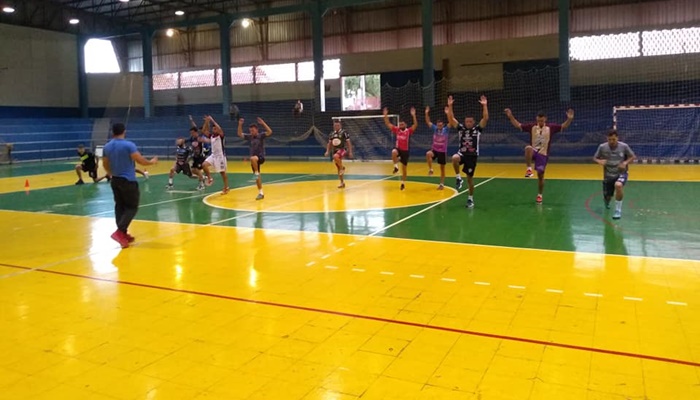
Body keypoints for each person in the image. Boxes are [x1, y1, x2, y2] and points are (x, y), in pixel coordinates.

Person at [102, 123, 158, 248]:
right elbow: (140, 160)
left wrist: (111, 174)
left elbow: (105, 163)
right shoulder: (128, 145)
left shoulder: (107, 146)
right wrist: (152, 162)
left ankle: (123, 233)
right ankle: (120, 232)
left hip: (115, 180)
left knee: (120, 207)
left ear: (113, 132)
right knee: (132, 207)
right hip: (128, 180)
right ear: (124, 131)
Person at [504, 107, 574, 204]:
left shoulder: (551, 127)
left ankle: (540, 195)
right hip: (533, 151)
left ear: (545, 119)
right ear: (536, 119)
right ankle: (529, 169)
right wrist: (510, 116)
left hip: (543, 154)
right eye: (538, 120)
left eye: (541, 120)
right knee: (528, 148)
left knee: (541, 175)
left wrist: (569, 119)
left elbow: (563, 126)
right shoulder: (532, 126)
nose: (540, 122)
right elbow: (517, 125)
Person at [447, 95, 489, 208]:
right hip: (462, 154)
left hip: (472, 156)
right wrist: (450, 106)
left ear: (473, 122)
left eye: (470, 121)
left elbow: (485, 119)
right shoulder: (461, 129)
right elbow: (451, 119)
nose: (468, 123)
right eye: (467, 121)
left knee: (470, 179)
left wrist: (484, 105)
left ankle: (470, 199)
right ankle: (458, 177)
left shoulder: (477, 130)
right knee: (454, 158)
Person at [594, 129, 636, 219]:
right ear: (607, 139)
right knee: (608, 196)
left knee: (618, 185)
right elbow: (595, 158)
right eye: (609, 139)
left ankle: (618, 210)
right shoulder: (602, 147)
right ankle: (607, 201)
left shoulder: (624, 146)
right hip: (608, 174)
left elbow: (632, 156)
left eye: (614, 139)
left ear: (617, 138)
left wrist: (625, 163)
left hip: (621, 173)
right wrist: (599, 161)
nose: (612, 142)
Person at [238, 117, 272, 200]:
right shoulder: (250, 137)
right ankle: (261, 193)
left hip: (260, 157)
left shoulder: (261, 135)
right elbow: (240, 134)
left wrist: (263, 123)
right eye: (250, 131)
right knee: (257, 177)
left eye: (253, 130)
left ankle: (256, 173)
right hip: (254, 161)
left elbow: (270, 132)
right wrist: (240, 125)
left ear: (257, 130)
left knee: (252, 159)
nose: (251, 132)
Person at [383, 106, 417, 190]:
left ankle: (403, 183)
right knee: (393, 152)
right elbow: (388, 124)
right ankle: (396, 167)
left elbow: (415, 125)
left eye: (402, 124)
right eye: (400, 124)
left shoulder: (408, 131)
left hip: (405, 151)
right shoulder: (397, 130)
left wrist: (413, 115)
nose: (401, 125)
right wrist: (385, 115)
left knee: (404, 169)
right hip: (398, 149)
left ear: (405, 124)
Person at [201, 115, 230, 194]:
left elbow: (220, 129)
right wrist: (206, 122)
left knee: (222, 173)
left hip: (220, 157)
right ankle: (210, 178)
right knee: (204, 165)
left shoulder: (221, 136)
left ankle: (226, 187)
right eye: (213, 128)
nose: (215, 129)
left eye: (216, 128)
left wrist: (212, 120)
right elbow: (203, 131)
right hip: (213, 156)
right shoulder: (211, 136)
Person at [424, 106, 450, 190]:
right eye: (438, 124)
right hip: (434, 150)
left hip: (442, 151)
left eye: (441, 124)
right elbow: (428, 121)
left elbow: (451, 122)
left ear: (443, 125)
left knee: (442, 168)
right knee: (428, 154)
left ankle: (441, 184)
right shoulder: (435, 129)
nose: (439, 125)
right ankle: (431, 169)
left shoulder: (446, 130)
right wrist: (426, 113)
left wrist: (447, 113)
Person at [324, 119, 354, 189]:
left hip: (342, 150)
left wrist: (350, 152)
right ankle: (342, 182)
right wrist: (327, 151)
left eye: (338, 125)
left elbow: (348, 143)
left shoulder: (344, 132)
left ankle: (342, 167)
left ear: (340, 125)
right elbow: (329, 143)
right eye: (335, 125)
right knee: (338, 168)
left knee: (335, 156)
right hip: (335, 150)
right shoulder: (332, 134)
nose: (336, 127)